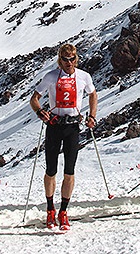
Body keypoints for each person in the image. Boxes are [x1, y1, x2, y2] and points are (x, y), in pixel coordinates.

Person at [29, 43, 97, 231]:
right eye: (65, 59)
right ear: (60, 60)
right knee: (51, 170)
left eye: (72, 59)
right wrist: (40, 112)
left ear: (76, 59)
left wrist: (92, 116)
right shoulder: (51, 76)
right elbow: (34, 98)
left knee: (69, 171)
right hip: (54, 126)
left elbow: (93, 94)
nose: (69, 63)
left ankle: (63, 211)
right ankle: (50, 208)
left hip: (73, 127)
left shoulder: (84, 76)